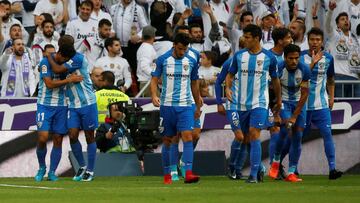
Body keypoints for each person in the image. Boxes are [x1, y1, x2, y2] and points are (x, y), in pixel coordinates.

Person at [225, 24, 282, 183]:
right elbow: (230, 75)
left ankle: (253, 174)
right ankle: (256, 170)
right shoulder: (239, 56)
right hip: (240, 104)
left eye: (248, 37)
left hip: (260, 103)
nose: (244, 39)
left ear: (257, 38)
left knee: (254, 133)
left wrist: (279, 99)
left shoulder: (269, 58)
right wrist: (228, 89)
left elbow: (276, 81)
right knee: (246, 139)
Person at [150, 33, 201, 184]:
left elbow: (194, 83)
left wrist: (197, 104)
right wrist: (154, 95)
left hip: (185, 105)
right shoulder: (163, 60)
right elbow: (154, 80)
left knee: (188, 136)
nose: (181, 52)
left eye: (184, 49)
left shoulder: (191, 61)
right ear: (174, 45)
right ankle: (168, 174)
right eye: (179, 49)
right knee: (168, 140)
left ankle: (188, 172)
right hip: (167, 105)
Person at [47, 35, 98, 181]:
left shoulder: (77, 59)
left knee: (89, 136)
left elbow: (57, 69)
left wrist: (48, 57)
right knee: (73, 135)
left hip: (87, 103)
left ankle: (90, 170)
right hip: (73, 105)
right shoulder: (65, 57)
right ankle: (82, 166)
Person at [299, 27, 343, 180]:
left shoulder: (328, 58)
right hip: (303, 106)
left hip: (321, 105)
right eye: (312, 39)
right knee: (297, 137)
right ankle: (290, 168)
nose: (315, 43)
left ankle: (332, 169)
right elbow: (299, 79)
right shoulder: (299, 57)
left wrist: (331, 97)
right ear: (308, 40)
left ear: (322, 41)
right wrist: (312, 63)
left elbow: (331, 79)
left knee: (327, 135)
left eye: (318, 40)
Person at [34, 43, 82, 181]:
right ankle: (41, 167)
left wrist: (74, 79)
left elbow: (75, 76)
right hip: (44, 105)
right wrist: (69, 80)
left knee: (58, 139)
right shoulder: (45, 62)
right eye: (64, 59)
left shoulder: (67, 63)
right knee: (42, 138)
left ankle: (52, 172)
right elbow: (48, 84)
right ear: (59, 54)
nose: (65, 62)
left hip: (62, 105)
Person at [268, 44, 310, 182]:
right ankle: (276, 161)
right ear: (285, 57)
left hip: (299, 103)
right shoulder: (278, 68)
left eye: (296, 58)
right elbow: (271, 90)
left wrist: (294, 116)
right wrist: (275, 110)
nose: (294, 61)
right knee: (286, 129)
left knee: (298, 135)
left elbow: (304, 95)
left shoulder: (304, 69)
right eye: (291, 58)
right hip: (283, 102)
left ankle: (292, 172)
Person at [136, 25, 157, 97]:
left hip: (148, 82)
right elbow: (144, 66)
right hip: (147, 83)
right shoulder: (146, 48)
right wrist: (155, 75)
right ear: (153, 36)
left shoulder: (146, 47)